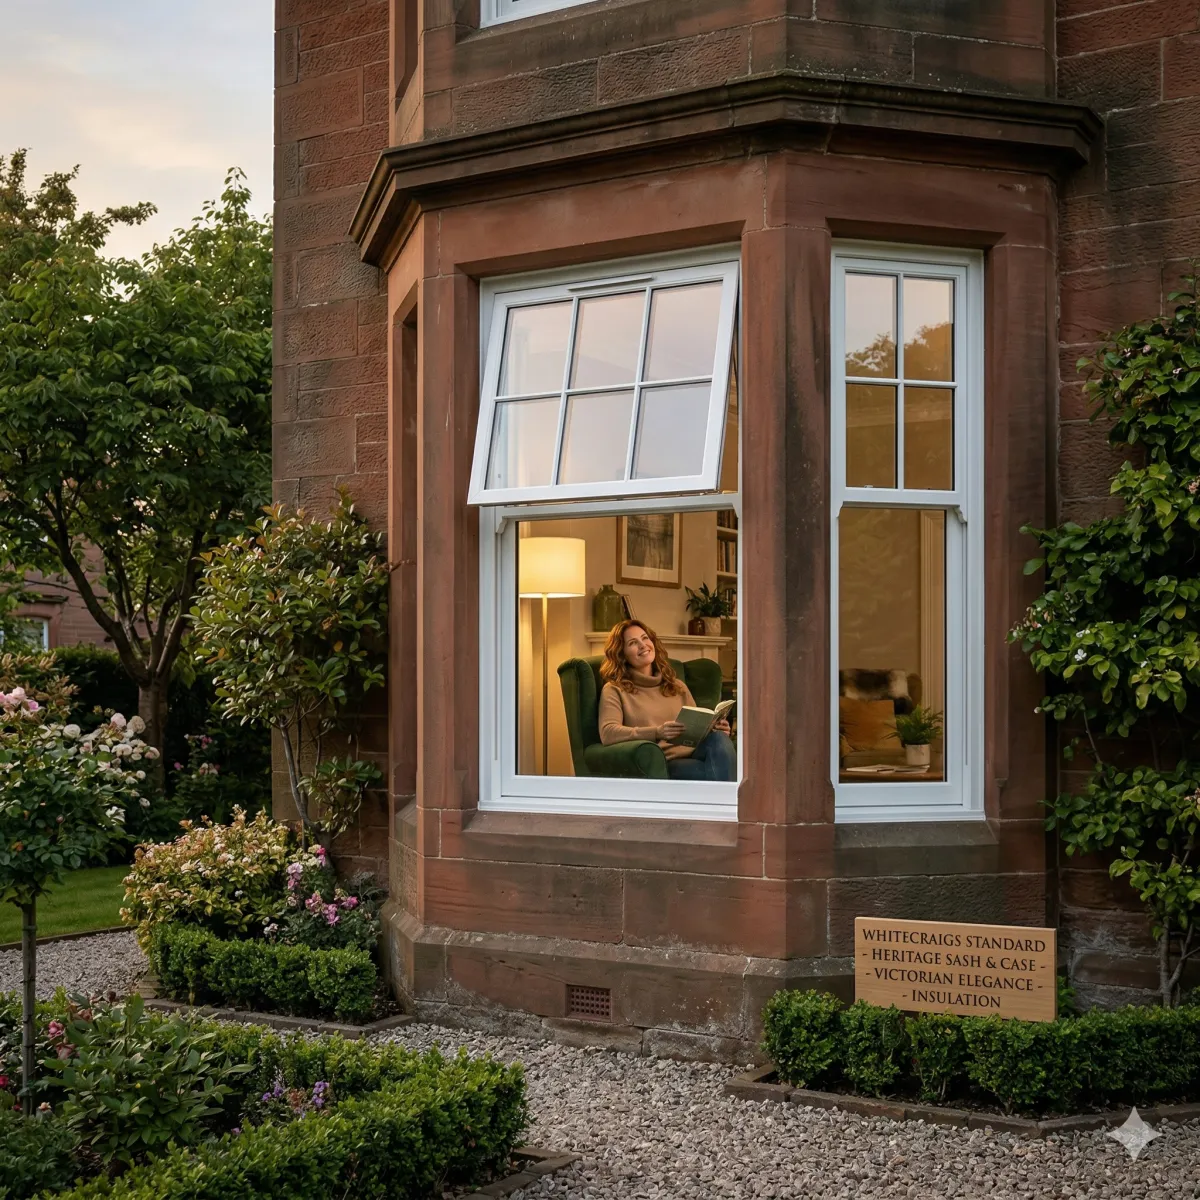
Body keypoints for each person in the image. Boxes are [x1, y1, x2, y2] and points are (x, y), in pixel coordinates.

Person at [597, 619, 735, 782]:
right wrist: (657, 732)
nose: (643, 645)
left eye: (645, 638)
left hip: (696, 751)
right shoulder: (615, 689)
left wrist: (714, 728)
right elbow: (608, 733)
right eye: (633, 643)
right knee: (720, 775)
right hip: (664, 761)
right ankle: (735, 804)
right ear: (621, 654)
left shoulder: (676, 685)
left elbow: (696, 728)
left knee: (719, 739)